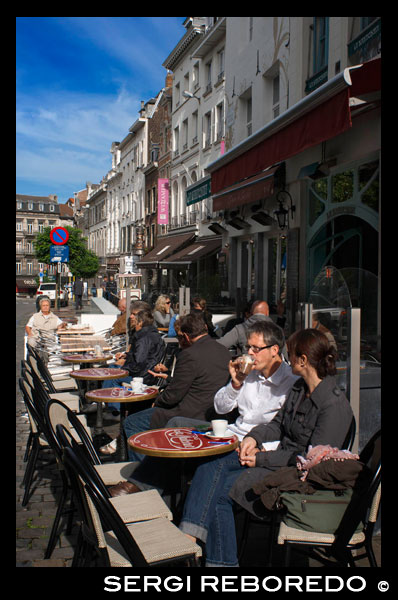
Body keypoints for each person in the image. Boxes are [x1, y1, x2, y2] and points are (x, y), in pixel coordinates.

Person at [179, 327, 353, 567]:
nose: (286, 358)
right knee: (210, 465)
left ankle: (219, 563)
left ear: (303, 360)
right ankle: (191, 537)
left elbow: (311, 462)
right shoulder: (299, 389)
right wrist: (254, 438)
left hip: (298, 477)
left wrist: (261, 459)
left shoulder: (333, 404)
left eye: (290, 354)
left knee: (221, 492)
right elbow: (278, 424)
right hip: (276, 460)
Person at [108, 312, 231, 496]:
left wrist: (157, 400)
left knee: (132, 423)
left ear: (187, 336)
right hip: (212, 414)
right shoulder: (224, 351)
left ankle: (148, 481)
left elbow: (173, 396)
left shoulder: (189, 354)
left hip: (187, 415)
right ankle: (154, 477)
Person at [101, 308, 165, 417]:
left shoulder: (143, 338)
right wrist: (126, 355)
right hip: (145, 372)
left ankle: (113, 409)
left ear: (141, 323)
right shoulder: (149, 335)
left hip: (143, 376)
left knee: (113, 375)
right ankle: (108, 404)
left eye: (135, 321)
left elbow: (138, 363)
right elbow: (141, 356)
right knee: (111, 368)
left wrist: (123, 369)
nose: (134, 324)